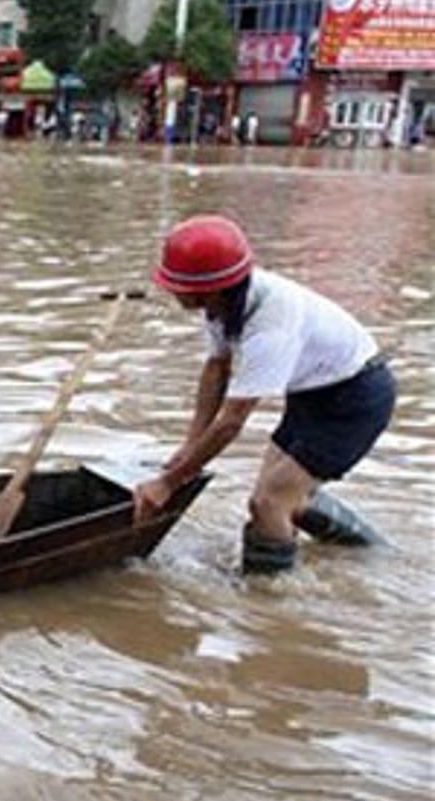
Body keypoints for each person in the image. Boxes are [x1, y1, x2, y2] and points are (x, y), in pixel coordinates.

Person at [132, 216, 393, 573]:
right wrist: (190, 450)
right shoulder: (224, 304)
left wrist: (167, 483)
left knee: (269, 504)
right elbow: (216, 369)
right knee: (286, 501)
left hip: (353, 399)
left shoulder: (271, 323)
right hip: (311, 394)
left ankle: (267, 603)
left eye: (177, 286)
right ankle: (373, 554)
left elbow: (232, 421)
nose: (172, 292)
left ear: (209, 289)